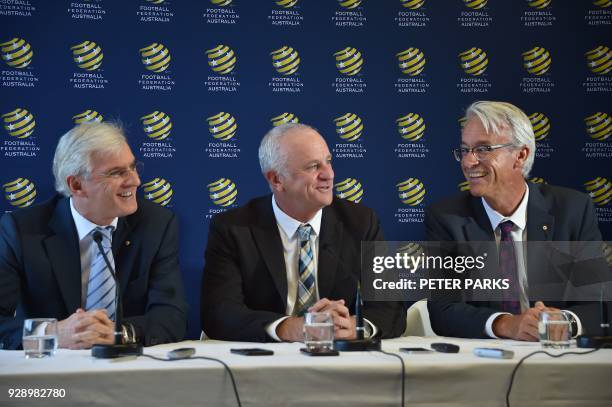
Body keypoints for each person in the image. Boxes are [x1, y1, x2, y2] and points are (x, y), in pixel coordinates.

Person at [201, 123, 406, 342]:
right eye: (313, 167)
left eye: (328, 161)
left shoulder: (360, 222)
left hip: (339, 359)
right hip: (265, 361)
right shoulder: (233, 228)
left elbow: (392, 308)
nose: (329, 174)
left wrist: (354, 326)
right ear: (277, 179)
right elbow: (218, 313)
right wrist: (292, 328)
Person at [425, 101, 606, 341]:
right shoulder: (447, 218)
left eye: (483, 149)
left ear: (520, 155)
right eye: (465, 150)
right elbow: (442, 310)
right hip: (486, 363)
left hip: (558, 360)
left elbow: (602, 302)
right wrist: (507, 324)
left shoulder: (572, 210)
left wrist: (564, 321)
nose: (468, 162)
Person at [0, 122, 187, 350]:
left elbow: (172, 316)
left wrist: (119, 333)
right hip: (53, 371)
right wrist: (52, 333)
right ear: (77, 185)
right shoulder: (22, 230)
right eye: (117, 173)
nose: (135, 181)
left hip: (130, 369)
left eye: (133, 167)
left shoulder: (157, 225)